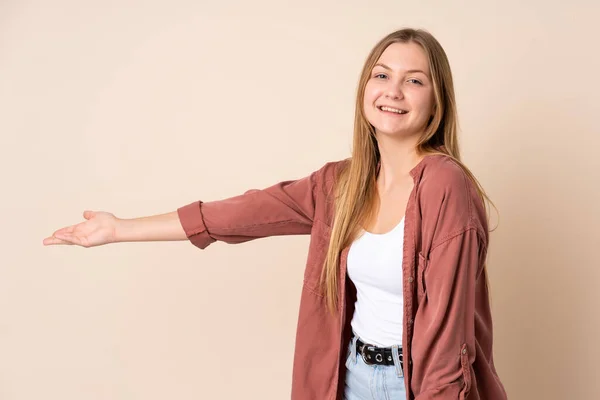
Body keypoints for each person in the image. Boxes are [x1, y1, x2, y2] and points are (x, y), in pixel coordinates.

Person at [44, 28, 507, 400]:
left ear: (436, 98)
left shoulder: (446, 186)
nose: (394, 91)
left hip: (418, 385)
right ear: (365, 88)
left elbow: (447, 343)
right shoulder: (339, 184)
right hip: (348, 377)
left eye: (415, 80)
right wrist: (118, 229)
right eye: (382, 75)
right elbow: (240, 215)